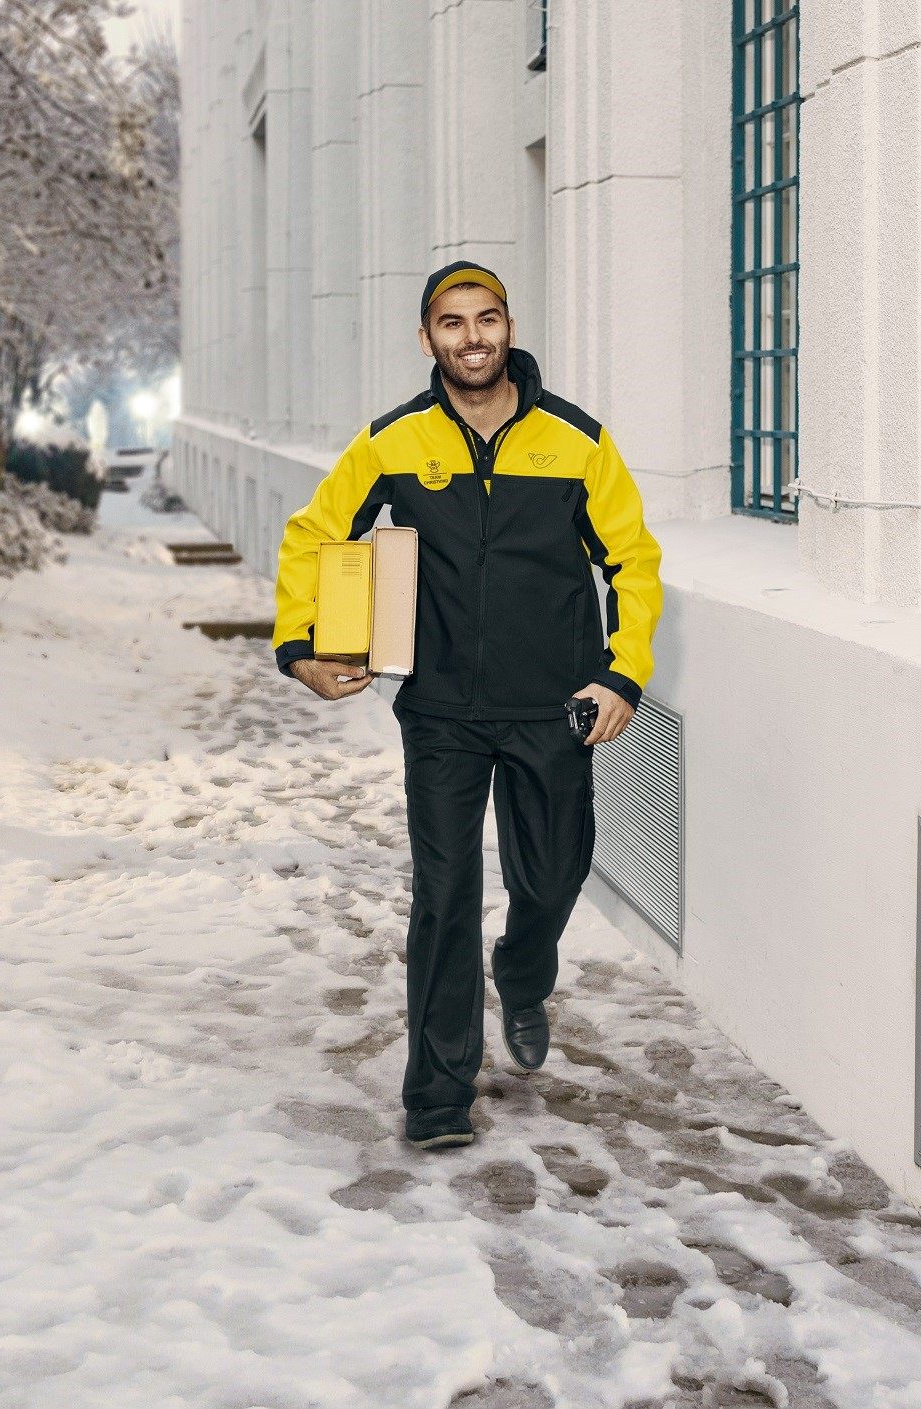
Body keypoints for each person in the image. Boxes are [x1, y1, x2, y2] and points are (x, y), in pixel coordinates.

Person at [271, 260, 664, 1151]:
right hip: (441, 708)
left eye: (486, 319)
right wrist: (302, 644)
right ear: (427, 339)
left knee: (553, 875)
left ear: (509, 327)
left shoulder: (578, 442)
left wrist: (619, 671)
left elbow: (631, 562)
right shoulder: (390, 443)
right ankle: (438, 1091)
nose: (472, 337)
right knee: (443, 896)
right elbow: (316, 532)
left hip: (554, 704)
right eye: (452, 323)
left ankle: (523, 972)